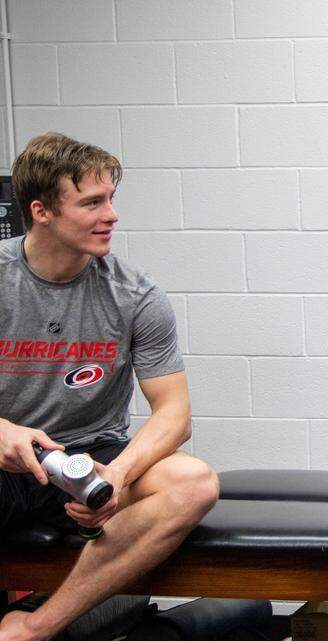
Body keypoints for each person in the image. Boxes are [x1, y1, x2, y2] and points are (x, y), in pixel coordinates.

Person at [0, 133, 219, 641]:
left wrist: (117, 475)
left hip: (91, 457)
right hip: (9, 456)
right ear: (42, 211)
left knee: (194, 482)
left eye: (111, 199)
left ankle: (37, 626)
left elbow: (174, 415)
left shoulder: (134, 294)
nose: (112, 215)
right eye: (92, 202)